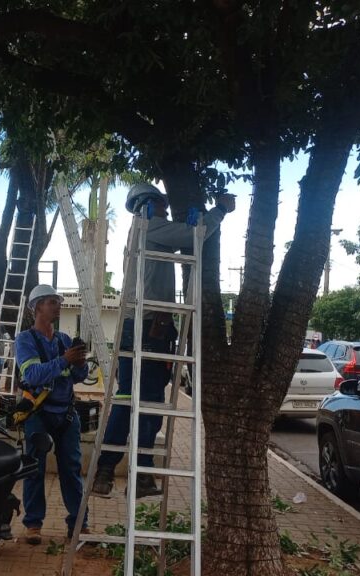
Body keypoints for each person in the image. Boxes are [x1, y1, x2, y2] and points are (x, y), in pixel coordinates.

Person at [92, 183, 235, 498]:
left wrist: (191, 226)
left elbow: (185, 239)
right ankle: (138, 471)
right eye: (162, 204)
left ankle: (108, 470)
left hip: (140, 325)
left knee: (130, 397)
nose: (166, 211)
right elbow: (193, 237)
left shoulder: (144, 233)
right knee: (150, 398)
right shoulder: (150, 226)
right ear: (146, 204)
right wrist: (219, 210)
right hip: (149, 326)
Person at [15, 284, 90, 545]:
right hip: (39, 413)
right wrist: (64, 361)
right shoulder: (25, 340)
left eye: (57, 302)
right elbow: (32, 375)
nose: (57, 306)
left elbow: (79, 377)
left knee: (71, 468)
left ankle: (79, 523)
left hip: (66, 414)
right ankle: (33, 524)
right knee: (34, 468)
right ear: (36, 307)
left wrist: (80, 364)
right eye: (51, 302)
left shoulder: (64, 341)